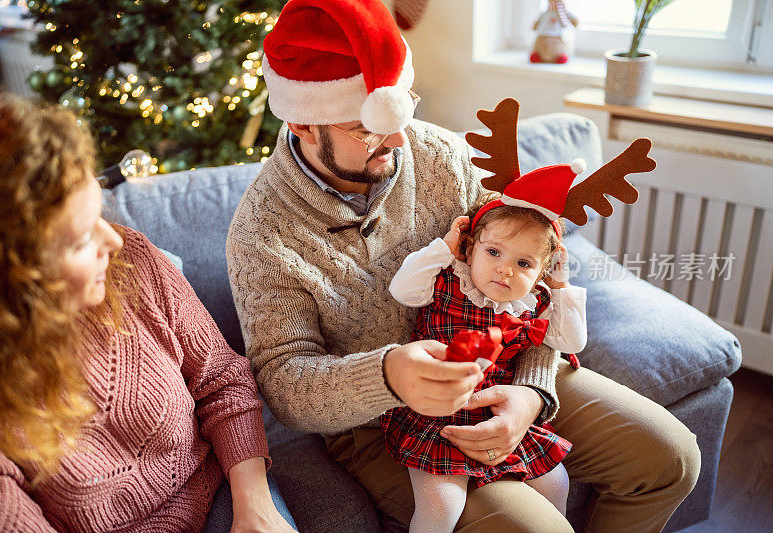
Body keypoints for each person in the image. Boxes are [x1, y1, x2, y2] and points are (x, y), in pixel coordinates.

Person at [226, 0, 700, 531]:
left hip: (504, 365)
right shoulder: (261, 231)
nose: (400, 139)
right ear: (303, 124)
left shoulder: (441, 157)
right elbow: (282, 381)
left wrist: (534, 390)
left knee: (673, 459)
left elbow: (530, 270)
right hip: (378, 421)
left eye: (404, 111)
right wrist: (388, 375)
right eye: (368, 128)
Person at [0, 97, 297, 532]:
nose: (113, 240)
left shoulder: (136, 264)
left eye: (99, 214)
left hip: (225, 494)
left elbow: (221, 379)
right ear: (15, 274)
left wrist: (254, 504)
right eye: (81, 239)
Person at [382, 180, 589, 531]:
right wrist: (442, 249)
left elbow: (570, 341)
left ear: (542, 271)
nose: (505, 269)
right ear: (470, 246)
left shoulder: (535, 301)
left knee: (556, 482)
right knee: (443, 505)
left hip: (498, 408)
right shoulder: (448, 280)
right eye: (494, 252)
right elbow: (401, 290)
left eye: (523, 263)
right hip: (437, 410)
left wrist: (561, 287)